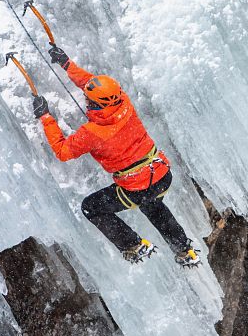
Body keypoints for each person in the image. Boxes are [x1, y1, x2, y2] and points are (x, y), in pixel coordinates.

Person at [31, 45, 200, 267]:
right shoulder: (124, 104)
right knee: (153, 204)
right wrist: (67, 64)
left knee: (91, 207)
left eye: (89, 101)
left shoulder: (91, 133)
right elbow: (93, 84)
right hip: (162, 175)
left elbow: (62, 151)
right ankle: (184, 249)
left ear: (97, 104)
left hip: (137, 188)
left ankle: (133, 244)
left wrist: (45, 117)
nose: (86, 101)